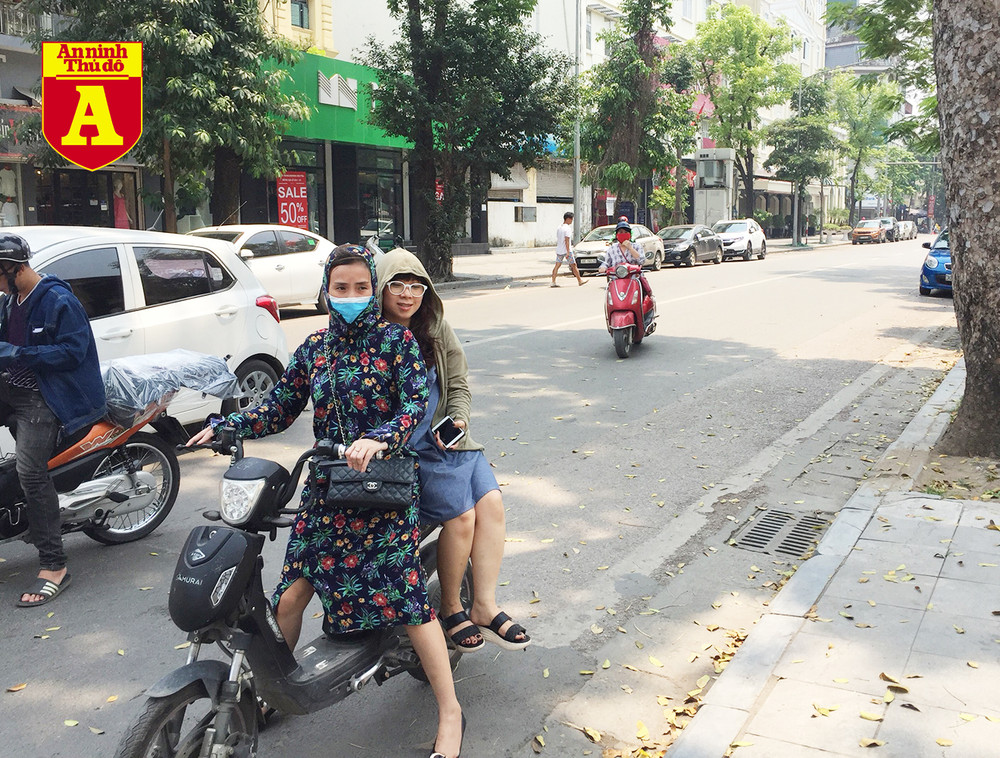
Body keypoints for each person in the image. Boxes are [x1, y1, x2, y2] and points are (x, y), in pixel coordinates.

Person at [187, 245, 464, 758]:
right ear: (327, 291)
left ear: (373, 290)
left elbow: (413, 407)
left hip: (383, 492)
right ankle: (270, 694)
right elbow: (279, 406)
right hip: (327, 492)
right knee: (291, 595)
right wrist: (228, 425)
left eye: (362, 287)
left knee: (406, 600)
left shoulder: (397, 342)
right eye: (342, 288)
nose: (352, 296)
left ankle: (450, 712)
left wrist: (380, 437)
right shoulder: (315, 348)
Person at [376, 249, 530, 655]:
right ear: (381, 289)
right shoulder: (372, 337)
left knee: (492, 503)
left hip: (450, 441)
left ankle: (484, 605)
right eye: (397, 285)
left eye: (417, 286)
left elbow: (459, 382)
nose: (407, 295)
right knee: (462, 517)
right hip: (412, 452)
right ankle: (450, 607)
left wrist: (458, 419)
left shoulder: (434, 327)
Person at [0, 234, 107, 607]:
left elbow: (74, 352)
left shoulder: (59, 300)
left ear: (13, 268)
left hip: (45, 398)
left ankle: (54, 566)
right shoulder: (10, 301)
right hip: (12, 389)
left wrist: (19, 353)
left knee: (31, 473)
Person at [598, 219, 653, 299]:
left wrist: (630, 248)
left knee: (646, 296)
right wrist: (603, 268)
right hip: (616, 281)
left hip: (634, 279)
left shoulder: (637, 246)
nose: (623, 234)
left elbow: (641, 261)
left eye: (626, 232)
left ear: (630, 235)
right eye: (620, 232)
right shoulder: (612, 249)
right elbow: (606, 263)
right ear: (616, 235)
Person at [551, 211, 586, 287]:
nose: (572, 221)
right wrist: (567, 252)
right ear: (568, 219)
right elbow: (566, 240)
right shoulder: (567, 228)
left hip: (559, 250)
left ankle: (553, 282)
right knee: (574, 265)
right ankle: (579, 280)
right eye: (571, 219)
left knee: (557, 266)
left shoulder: (559, 227)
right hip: (567, 250)